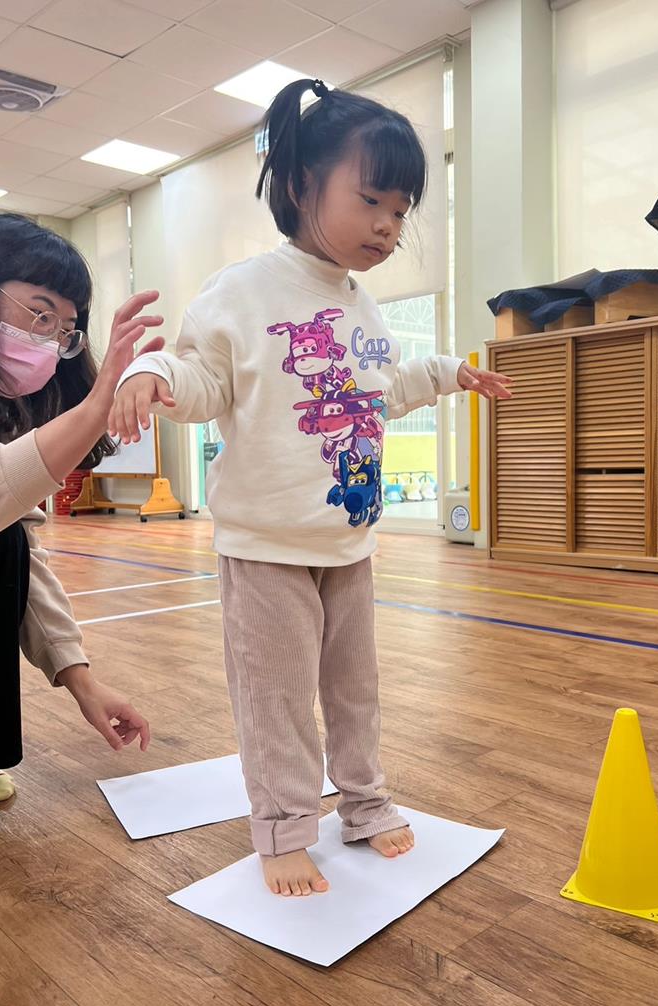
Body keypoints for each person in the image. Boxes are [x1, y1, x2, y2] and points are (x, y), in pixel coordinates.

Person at [109, 80, 513, 897]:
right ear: (301, 185)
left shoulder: (362, 306)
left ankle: (364, 802)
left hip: (347, 543)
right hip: (265, 546)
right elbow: (201, 380)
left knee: (356, 690)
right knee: (277, 698)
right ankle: (285, 826)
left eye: (400, 210)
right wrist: (152, 374)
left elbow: (379, 392)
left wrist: (446, 373)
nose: (388, 226)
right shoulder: (242, 291)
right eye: (371, 200)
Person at [0, 213, 162, 802]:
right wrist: (96, 406)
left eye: (66, 329)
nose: (49, 340)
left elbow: (17, 546)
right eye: (39, 313)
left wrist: (81, 679)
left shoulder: (11, 410)